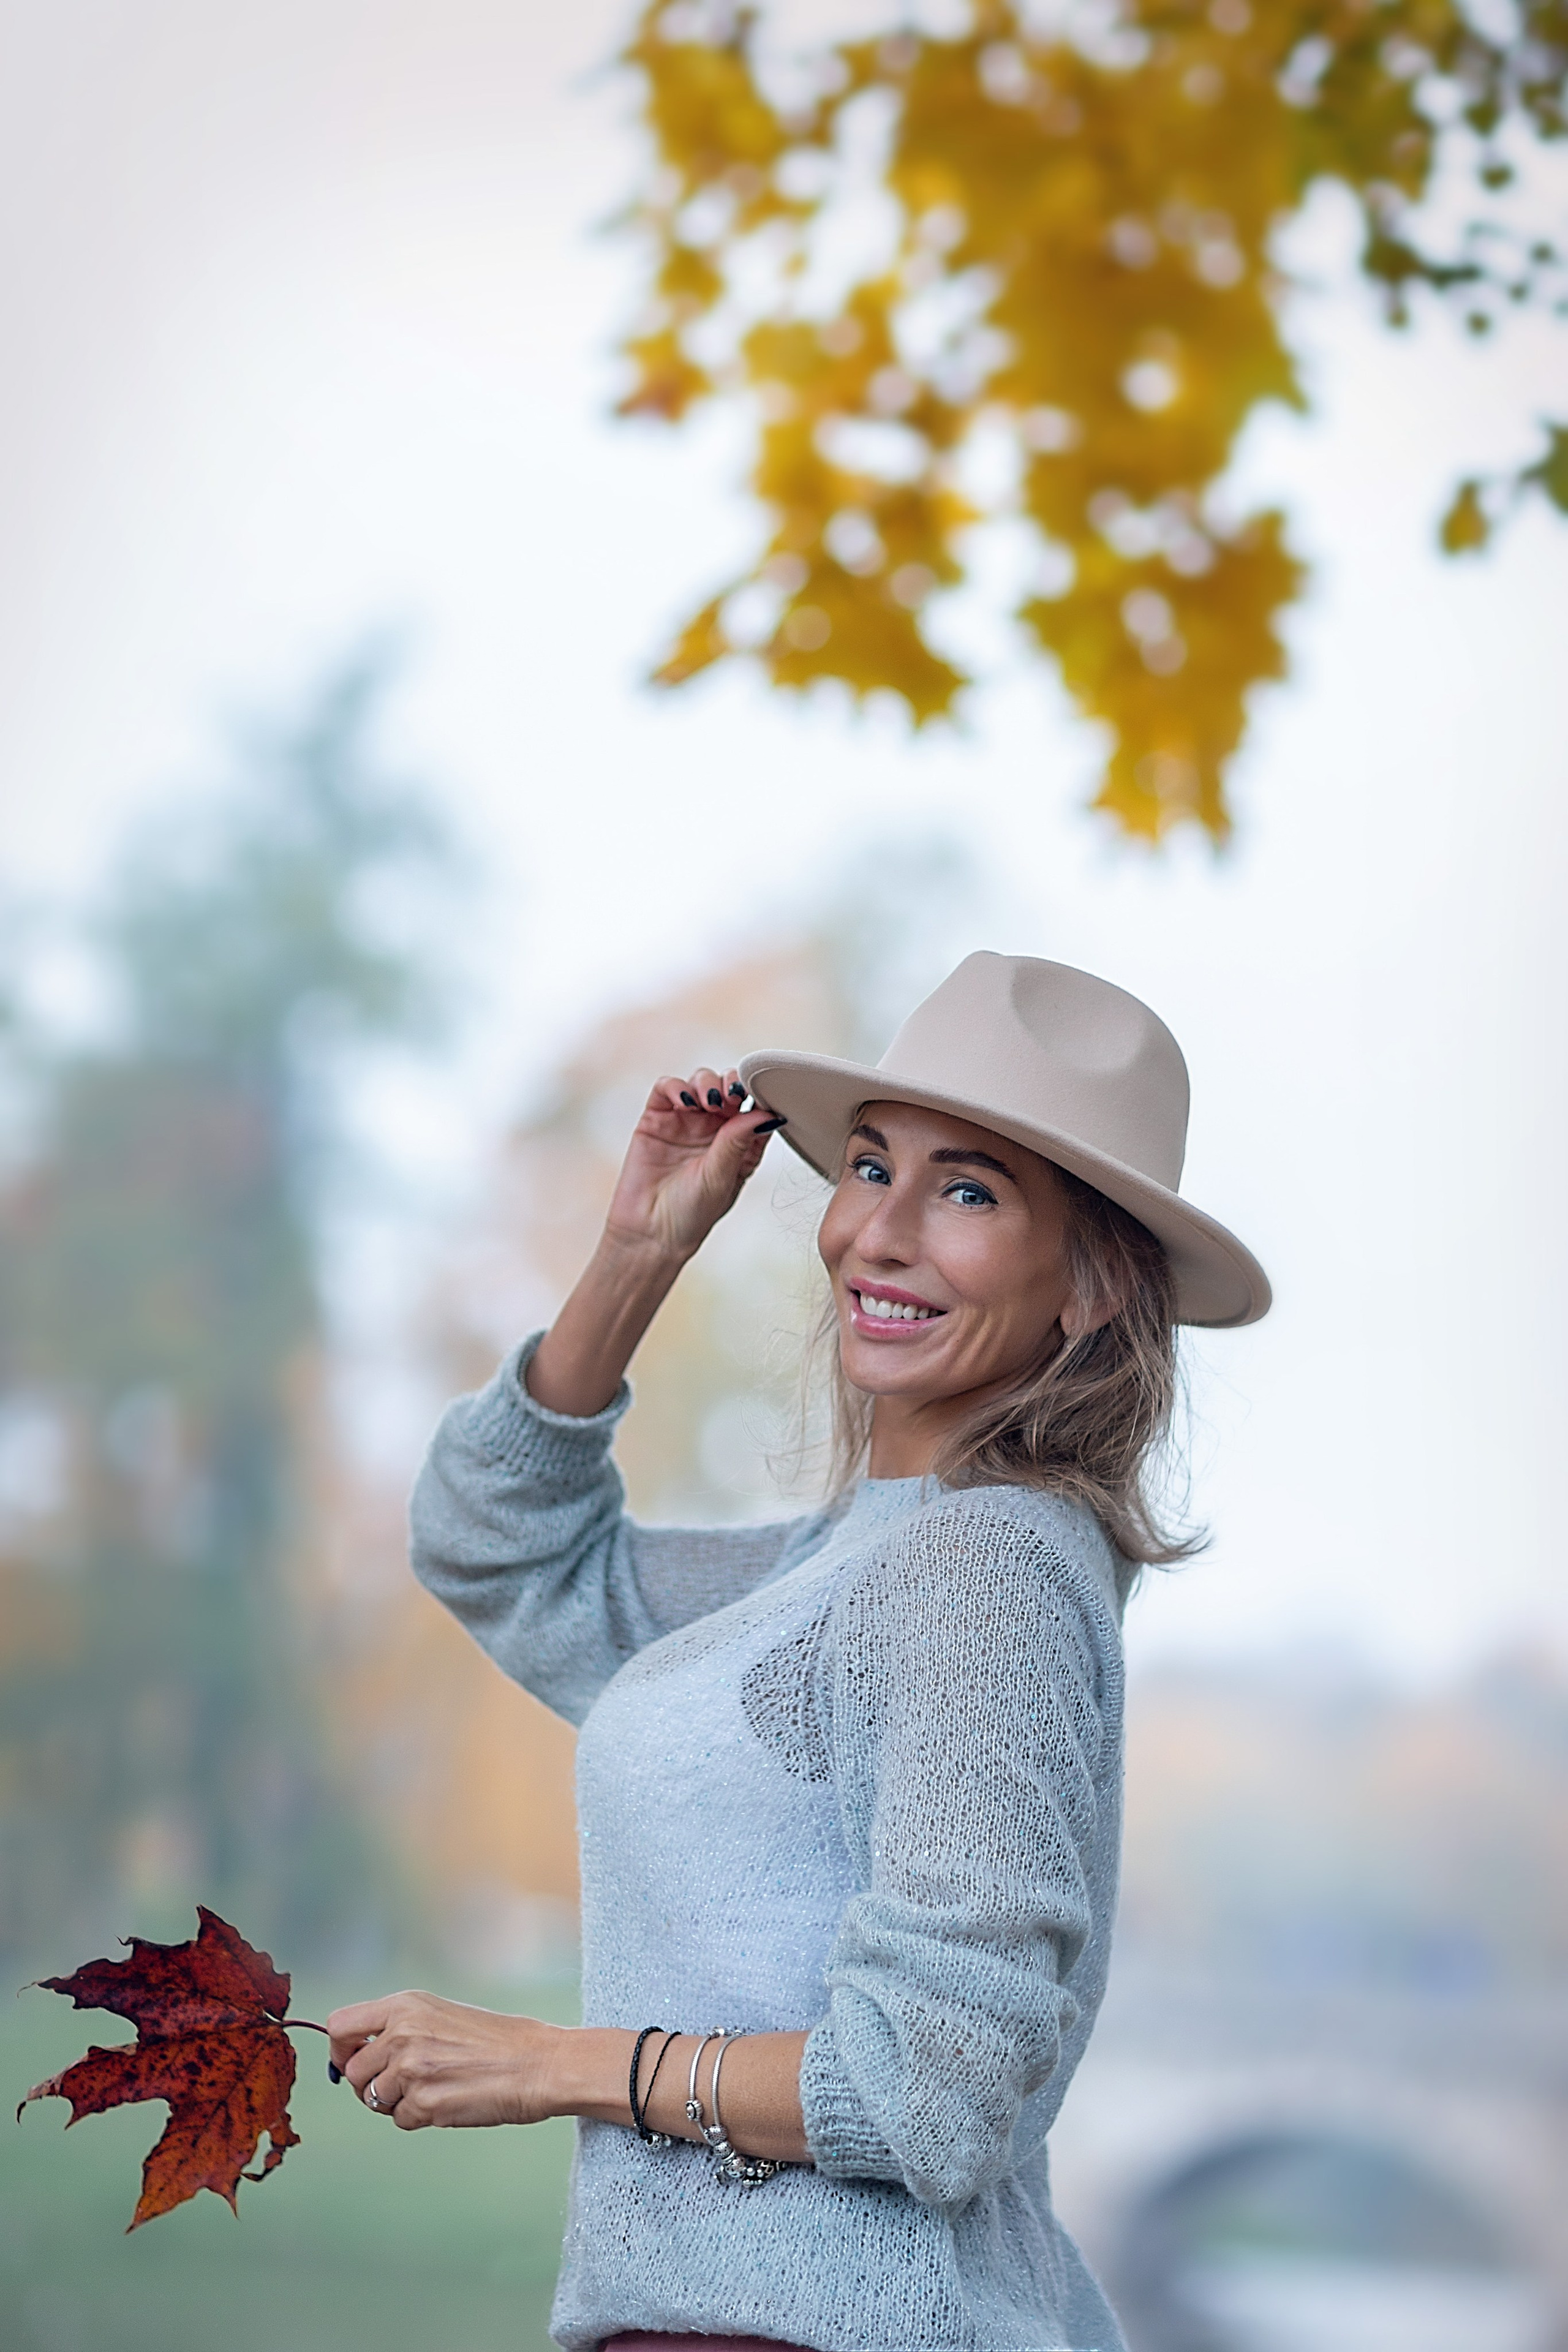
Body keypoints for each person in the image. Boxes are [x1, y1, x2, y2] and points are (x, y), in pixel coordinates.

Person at [326, 951, 1270, 2352]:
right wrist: (639, 1252)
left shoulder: (979, 1570)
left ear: (1087, 1285)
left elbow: (930, 2086)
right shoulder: (838, 1571)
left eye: (967, 1192)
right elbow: (497, 1546)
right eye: (870, 1167)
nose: (878, 1233)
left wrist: (543, 2064)